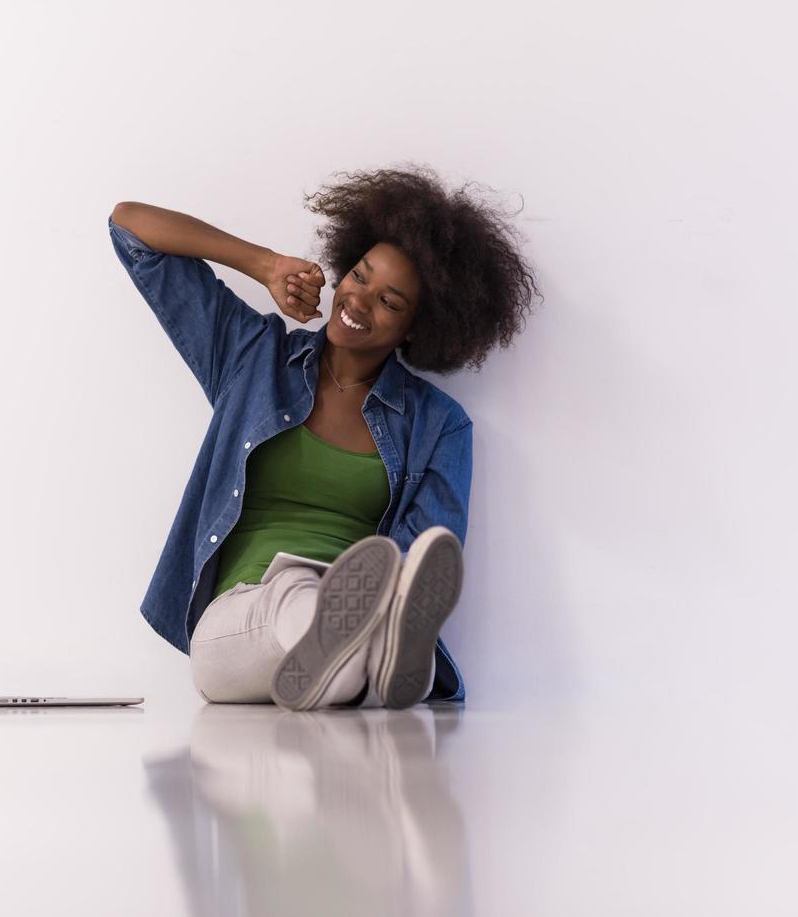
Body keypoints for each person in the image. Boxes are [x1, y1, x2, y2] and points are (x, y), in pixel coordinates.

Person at [109, 163, 540, 710]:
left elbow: (426, 552)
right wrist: (264, 265)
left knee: (351, 627)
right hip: (242, 622)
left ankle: (365, 654)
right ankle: (379, 654)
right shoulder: (254, 359)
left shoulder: (439, 423)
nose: (359, 301)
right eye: (360, 276)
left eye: (389, 301)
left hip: (348, 627)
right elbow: (131, 227)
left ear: (417, 329)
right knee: (300, 600)